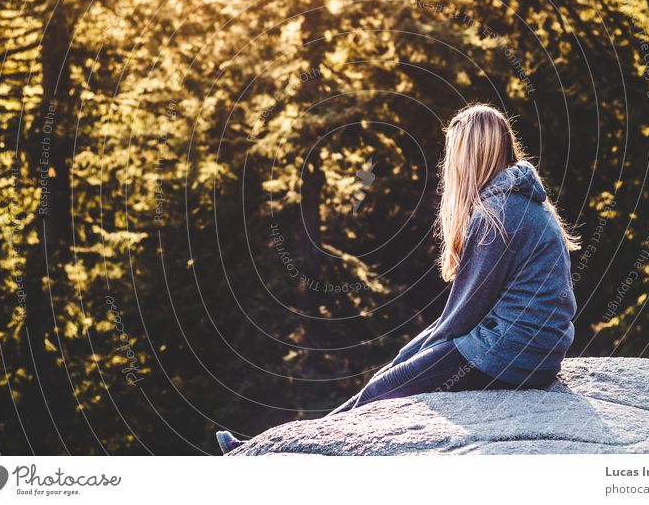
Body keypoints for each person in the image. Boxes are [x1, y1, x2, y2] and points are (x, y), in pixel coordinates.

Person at [217, 103, 580, 454]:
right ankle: (270, 448)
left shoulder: (497, 215)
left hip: (510, 353)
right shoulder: (524, 201)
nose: (448, 164)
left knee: (384, 390)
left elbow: (462, 316)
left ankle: (271, 453)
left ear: (469, 156)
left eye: (453, 153)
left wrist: (408, 361)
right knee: (396, 372)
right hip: (536, 352)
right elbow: (465, 315)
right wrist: (409, 356)